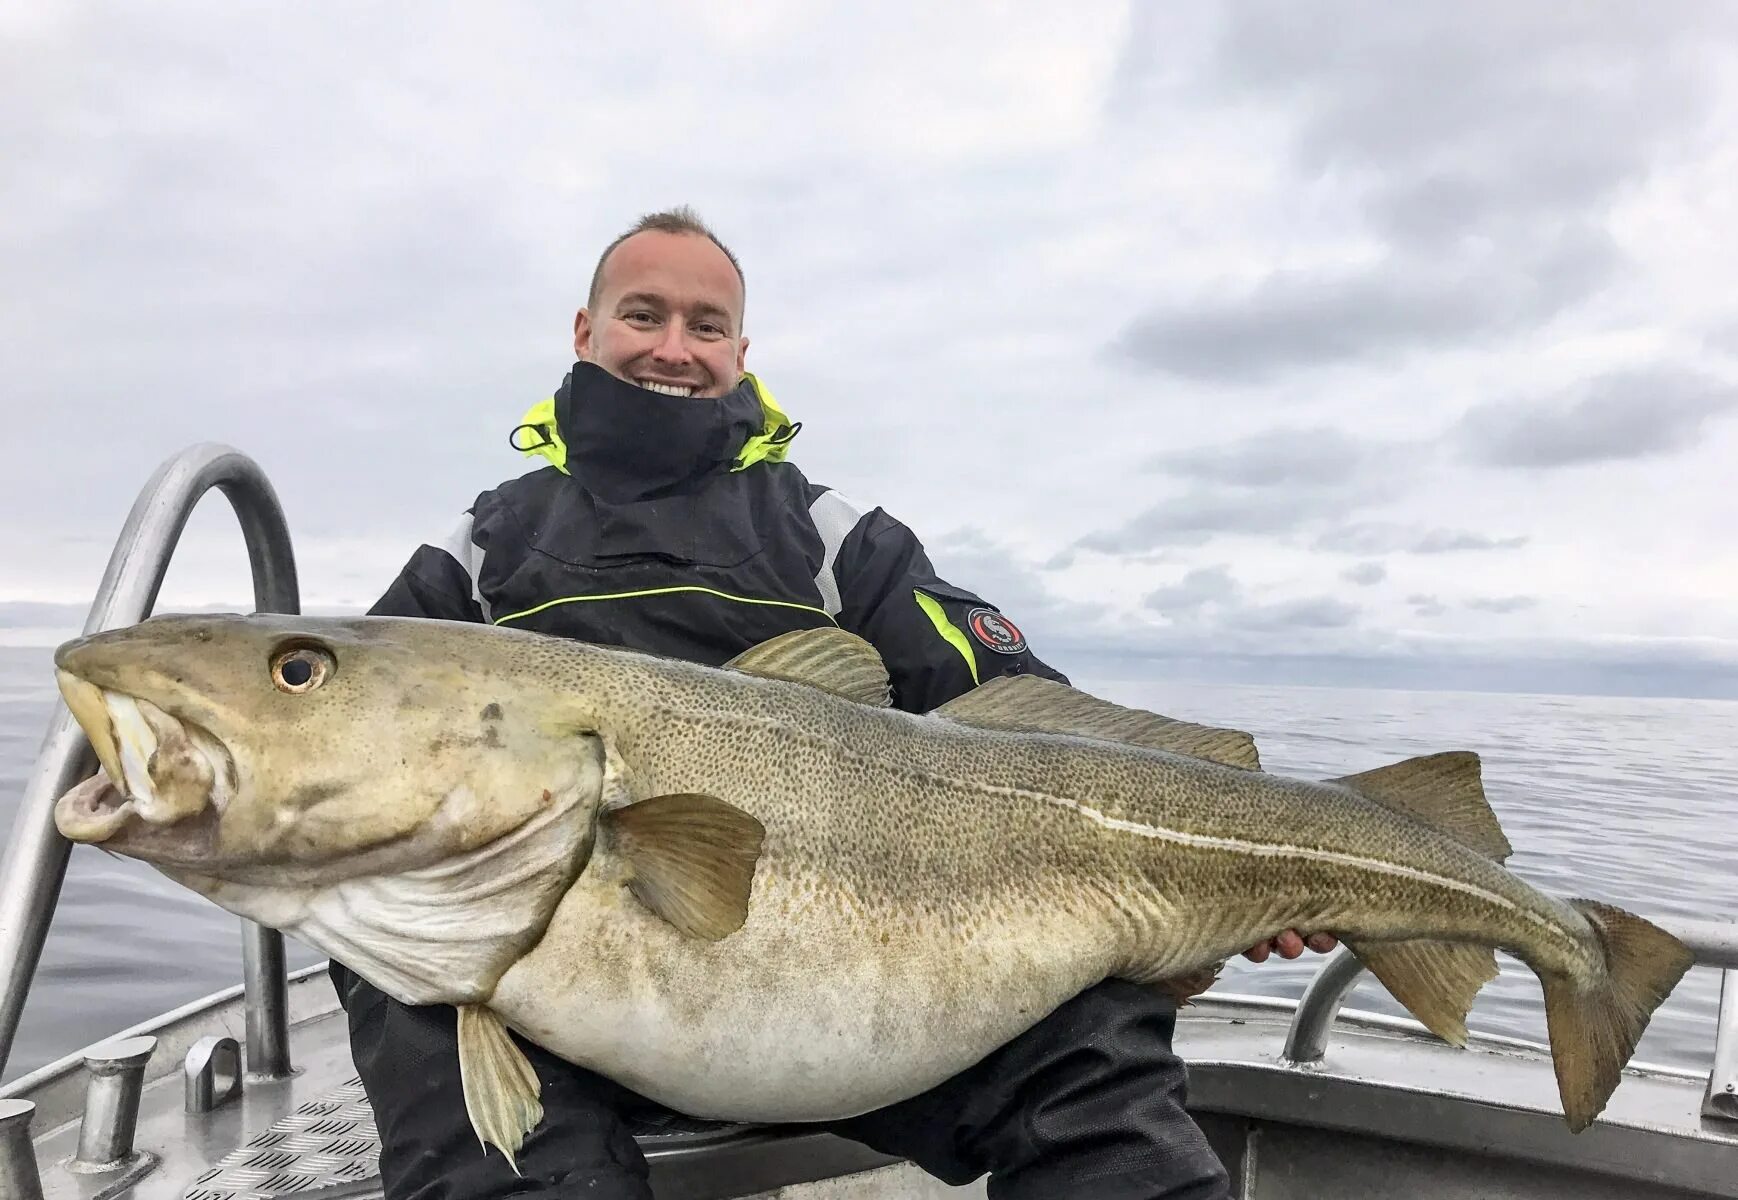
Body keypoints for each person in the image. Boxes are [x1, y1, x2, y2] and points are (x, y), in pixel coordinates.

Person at [331, 207, 1334, 1200]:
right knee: (402, 969)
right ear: (585, 333)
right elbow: (359, 735)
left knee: (1091, 1044)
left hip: (854, 992)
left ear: (740, 349)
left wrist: (1243, 863)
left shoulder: (825, 534)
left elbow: (1019, 712)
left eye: (705, 324)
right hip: (552, 996)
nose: (673, 348)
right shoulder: (484, 546)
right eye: (643, 316)